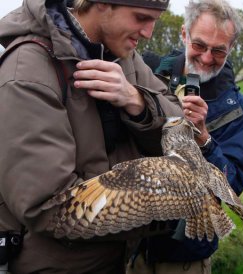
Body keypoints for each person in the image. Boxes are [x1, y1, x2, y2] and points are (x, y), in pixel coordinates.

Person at [0, 0, 184, 273]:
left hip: (116, 258)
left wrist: (138, 102)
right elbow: (49, 204)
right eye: (141, 17)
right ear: (100, 4)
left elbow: (180, 126)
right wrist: (166, 207)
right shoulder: (28, 73)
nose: (148, 33)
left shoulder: (122, 56)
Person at [130, 0, 243, 273]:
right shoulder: (149, 75)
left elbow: (233, 187)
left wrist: (205, 140)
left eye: (219, 50)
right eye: (199, 45)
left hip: (185, 257)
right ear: (184, 34)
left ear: (230, 49)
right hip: (130, 244)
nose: (207, 58)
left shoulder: (235, 110)